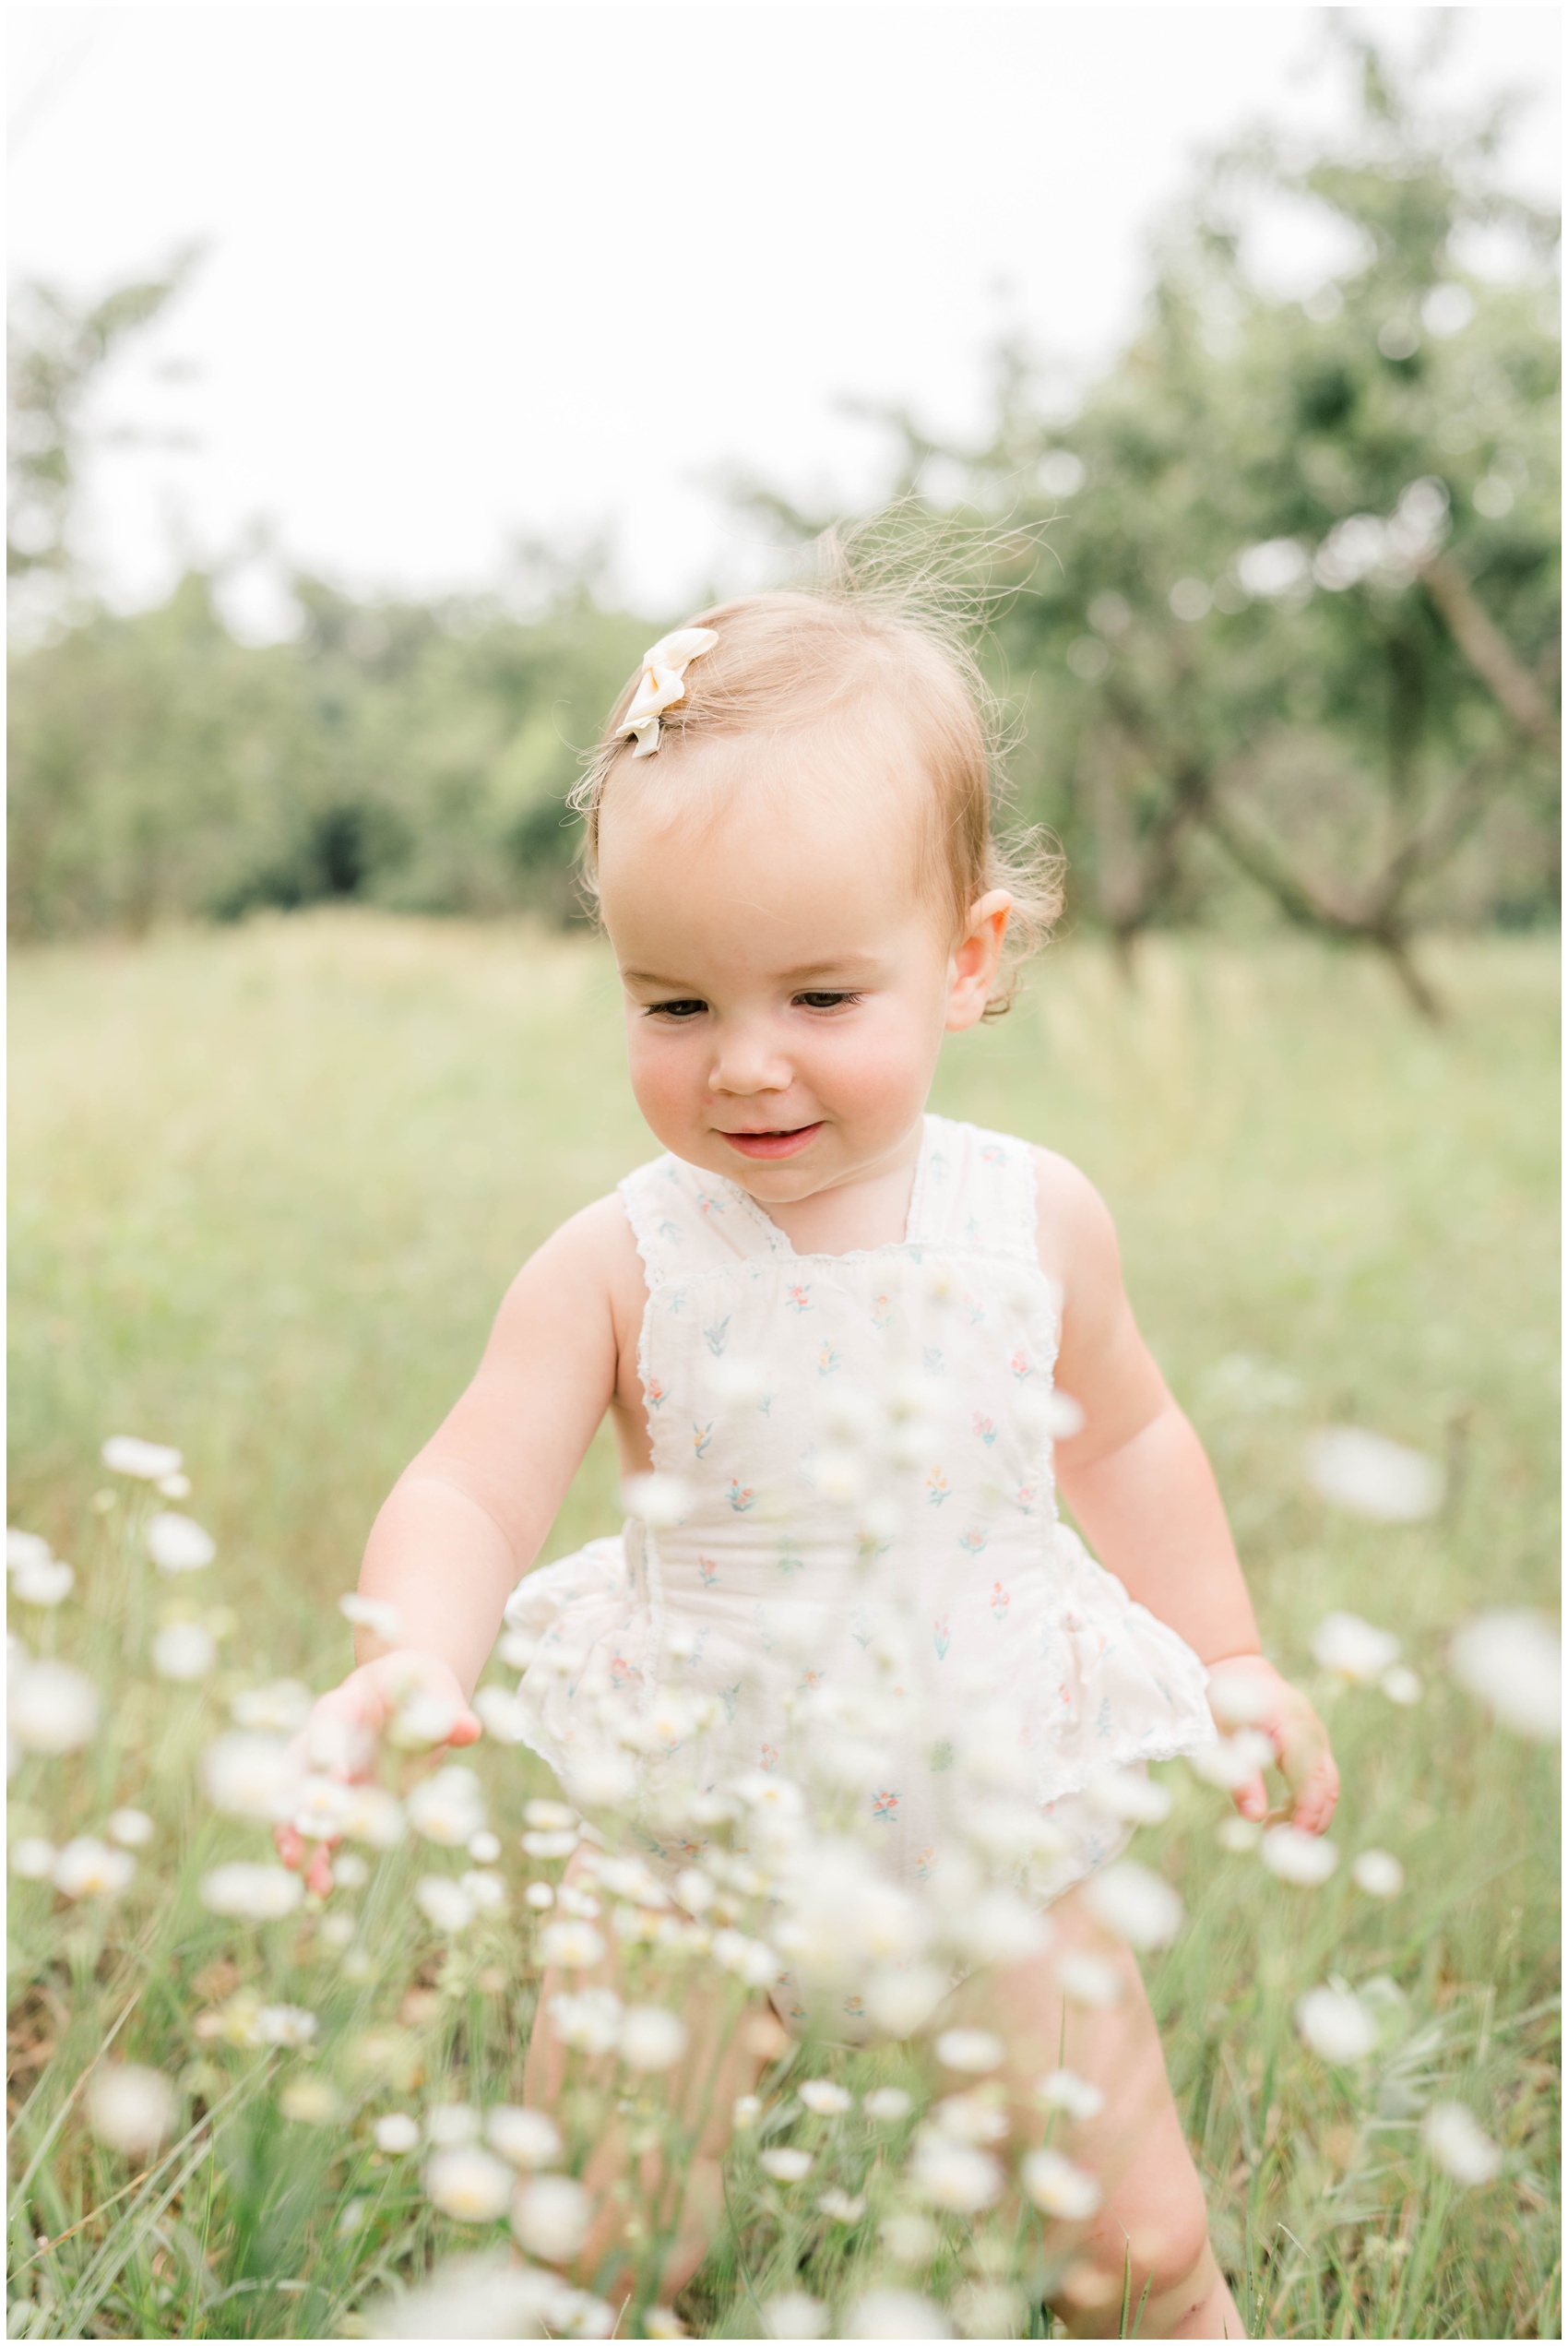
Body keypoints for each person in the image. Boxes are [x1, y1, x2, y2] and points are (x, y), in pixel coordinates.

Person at [281, 580, 1337, 2338]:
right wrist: (407, 1654)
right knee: (602, 2231)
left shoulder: (1034, 1222)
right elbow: (474, 1481)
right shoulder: (621, 1258)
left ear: (971, 958)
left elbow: (1134, 1437)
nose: (745, 1065)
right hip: (694, 1803)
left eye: (822, 994)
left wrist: (1227, 1654)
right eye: (673, 1005)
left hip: (992, 1784)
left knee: (1132, 2240)